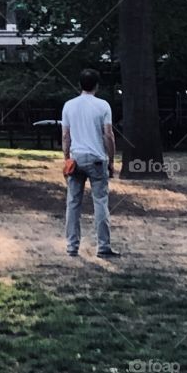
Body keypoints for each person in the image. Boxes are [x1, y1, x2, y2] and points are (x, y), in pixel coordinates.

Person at [62, 69, 119, 258]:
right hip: (96, 159)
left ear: (80, 84)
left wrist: (66, 159)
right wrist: (111, 160)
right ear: (97, 85)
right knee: (100, 202)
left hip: (76, 158)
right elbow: (108, 135)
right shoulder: (103, 106)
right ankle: (103, 246)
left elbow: (66, 136)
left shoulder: (69, 106)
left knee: (73, 203)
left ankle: (72, 246)